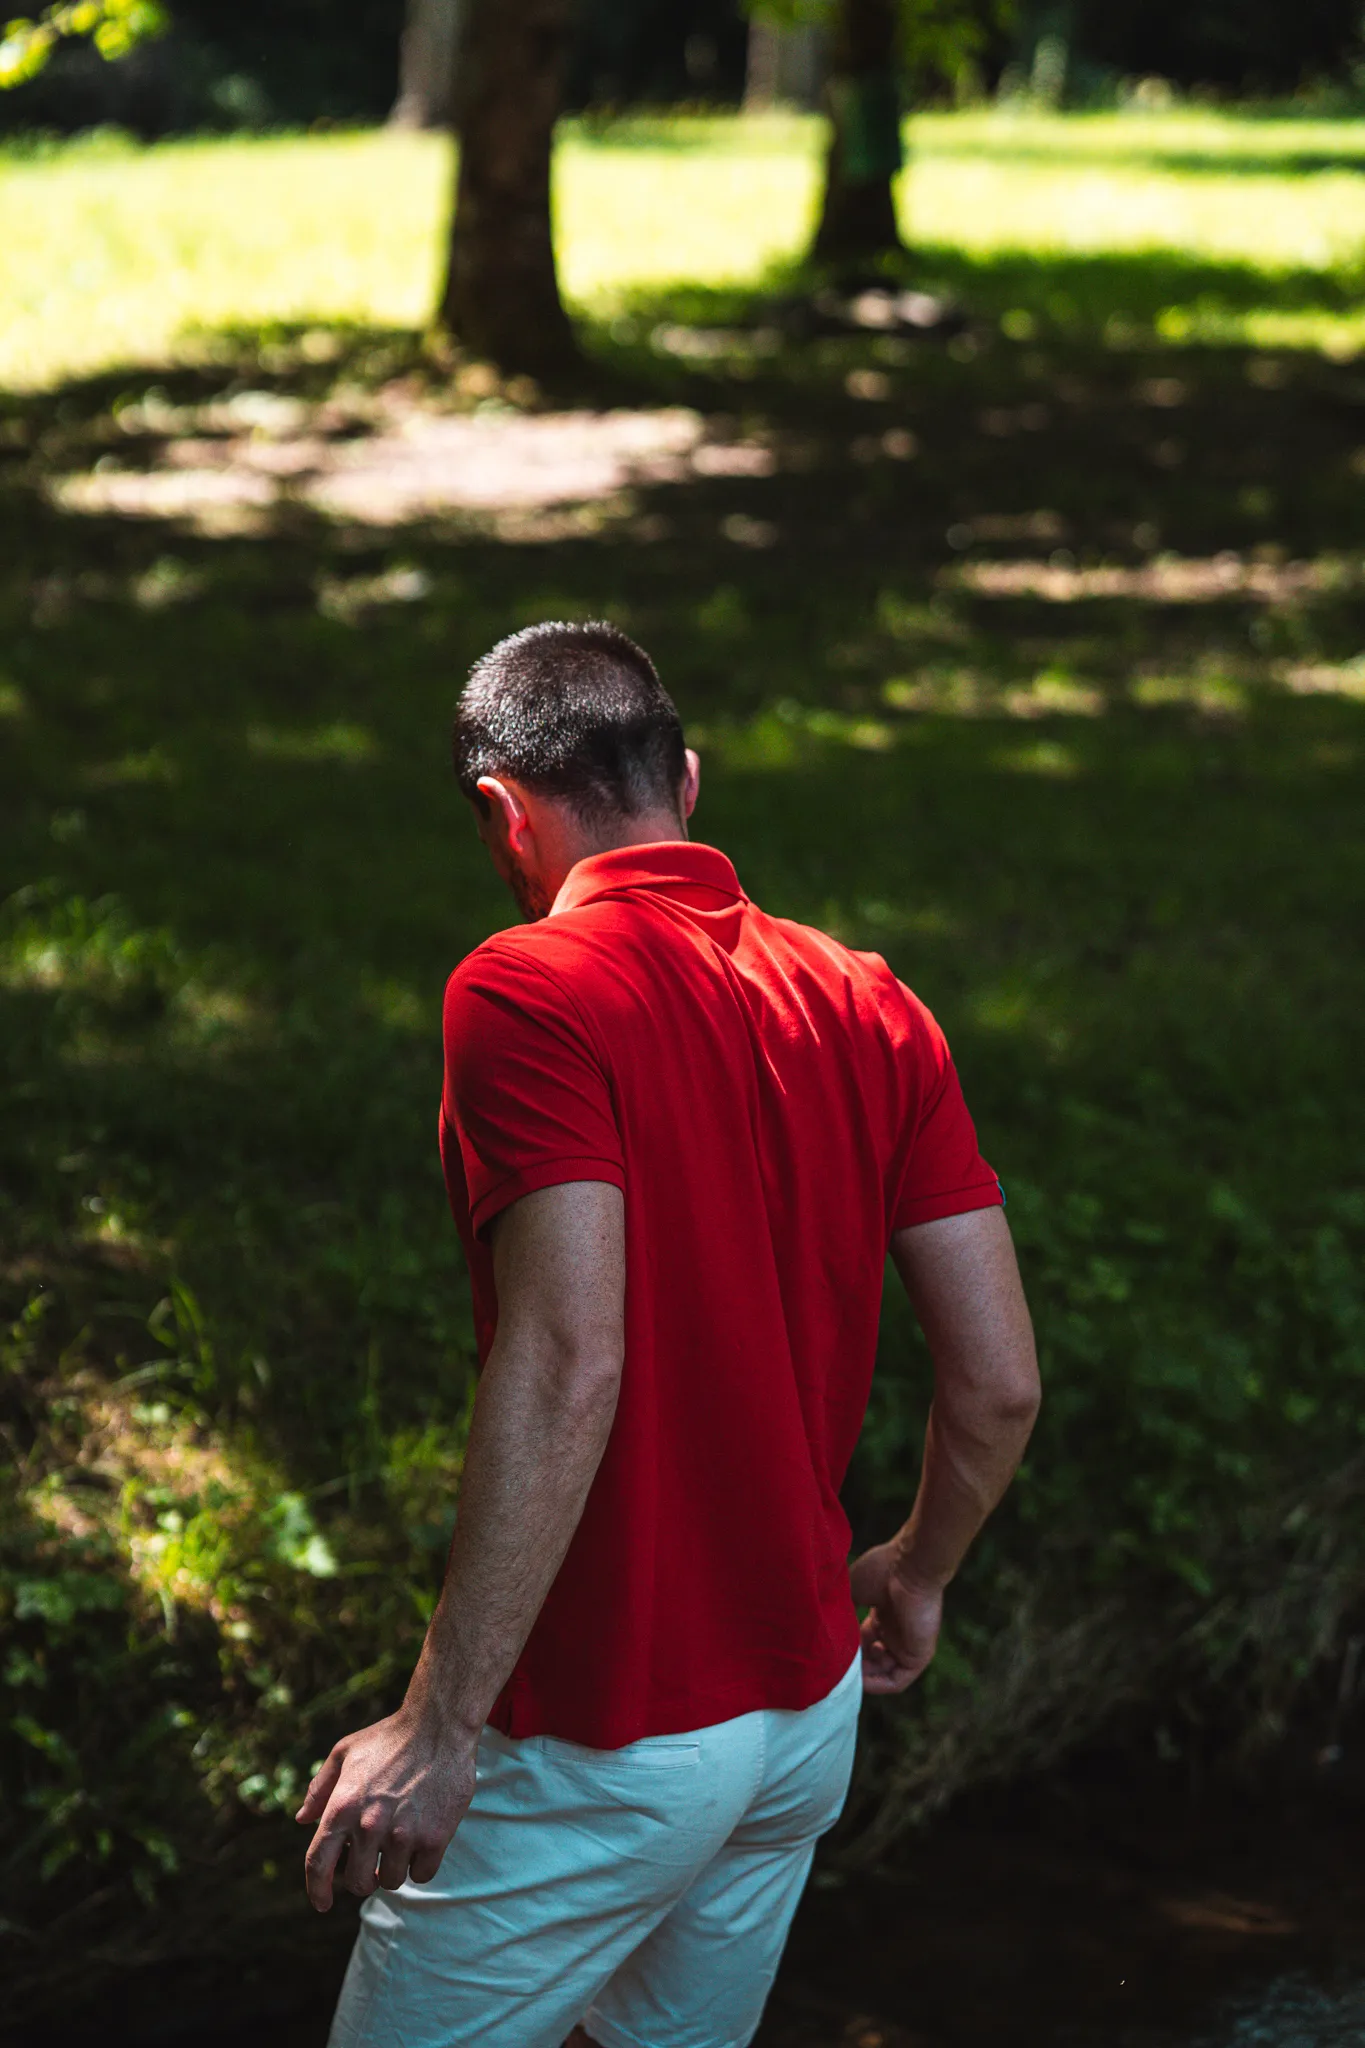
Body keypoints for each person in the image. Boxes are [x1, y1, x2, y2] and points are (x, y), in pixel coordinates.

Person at [300, 621, 1040, 2048]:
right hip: (803, 1720)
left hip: (607, 1731)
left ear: (501, 815)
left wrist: (439, 1729)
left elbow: (573, 1356)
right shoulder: (870, 999)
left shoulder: (528, 989)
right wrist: (924, 1571)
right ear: (686, 782)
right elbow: (1000, 1385)